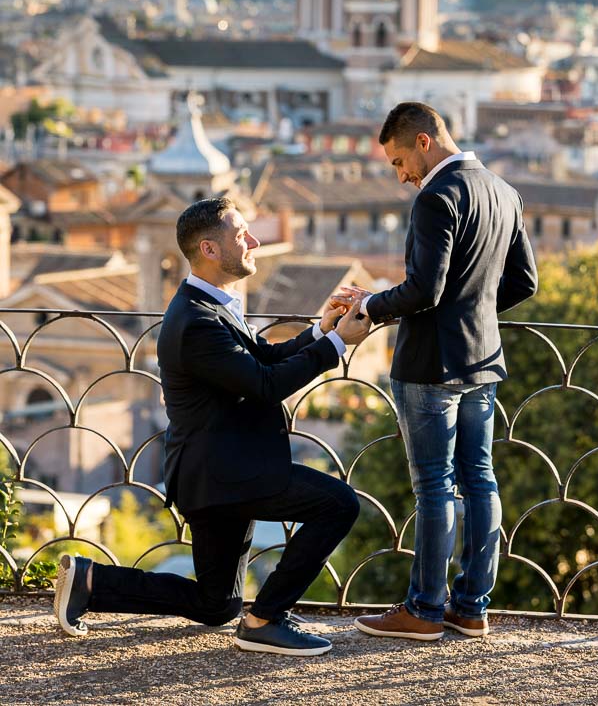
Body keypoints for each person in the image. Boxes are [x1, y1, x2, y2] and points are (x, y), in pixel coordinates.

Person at [54, 197, 370, 656]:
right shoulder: (197, 321)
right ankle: (265, 619)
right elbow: (265, 385)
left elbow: (261, 359)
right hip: (226, 475)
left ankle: (90, 580)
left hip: (219, 471)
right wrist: (340, 343)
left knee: (215, 604)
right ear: (209, 249)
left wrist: (322, 331)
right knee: (338, 505)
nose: (255, 242)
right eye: (242, 235)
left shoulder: (208, 306)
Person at [343, 102, 538, 641]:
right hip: (484, 358)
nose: (400, 175)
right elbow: (524, 283)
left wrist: (371, 306)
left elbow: (425, 291)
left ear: (424, 142)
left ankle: (424, 610)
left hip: (430, 365)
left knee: (434, 487)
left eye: (399, 160)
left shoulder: (436, 197)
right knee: (479, 479)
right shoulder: (503, 190)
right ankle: (471, 605)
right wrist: (471, 312)